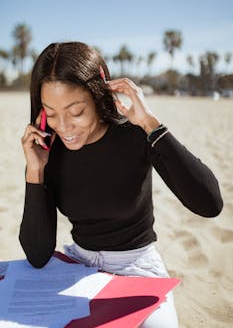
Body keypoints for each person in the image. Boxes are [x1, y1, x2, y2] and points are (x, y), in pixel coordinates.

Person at [19, 41, 223, 328]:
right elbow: (38, 255)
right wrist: (35, 170)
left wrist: (151, 125)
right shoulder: (48, 149)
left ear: (98, 96)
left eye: (76, 111)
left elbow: (209, 204)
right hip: (77, 268)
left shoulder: (134, 134)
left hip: (138, 268)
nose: (64, 127)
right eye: (51, 114)